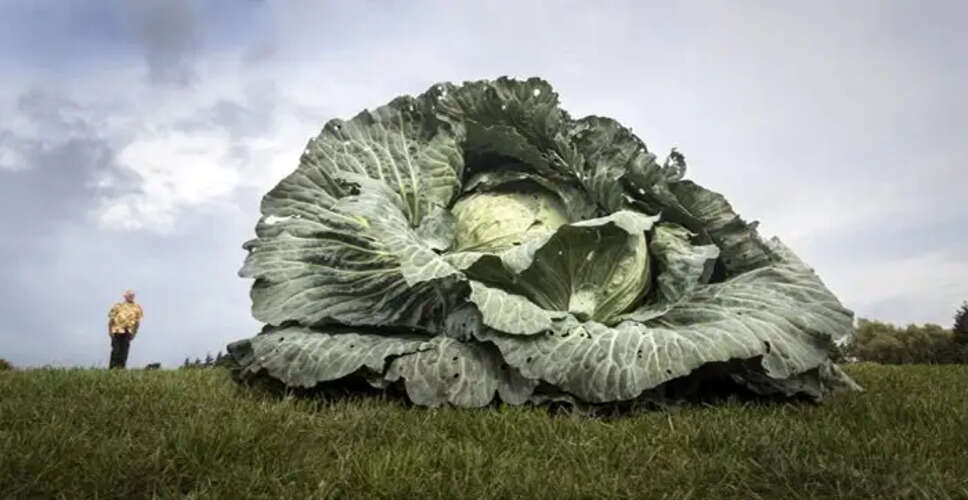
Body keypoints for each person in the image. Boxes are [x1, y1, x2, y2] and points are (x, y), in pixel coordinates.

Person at [107, 290, 144, 369]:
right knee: (116, 350)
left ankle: (121, 368)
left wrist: (134, 333)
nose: (131, 297)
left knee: (124, 351)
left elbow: (137, 322)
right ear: (125, 296)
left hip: (128, 331)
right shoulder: (118, 306)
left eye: (132, 295)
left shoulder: (137, 307)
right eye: (129, 295)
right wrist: (110, 331)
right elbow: (111, 319)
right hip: (117, 330)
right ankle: (112, 368)